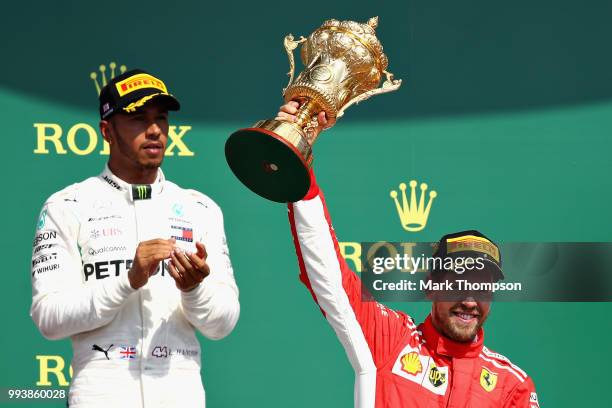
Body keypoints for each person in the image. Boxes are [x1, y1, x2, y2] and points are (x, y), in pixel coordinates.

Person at [278, 101, 540, 407]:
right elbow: (329, 275)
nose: (469, 300)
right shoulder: (390, 341)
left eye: (480, 286)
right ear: (431, 285)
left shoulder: (512, 385)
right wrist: (299, 164)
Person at [30, 69, 240, 408]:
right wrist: (128, 280)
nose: (154, 129)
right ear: (107, 131)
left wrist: (194, 289)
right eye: (138, 118)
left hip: (181, 397)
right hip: (99, 396)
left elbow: (223, 323)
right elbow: (49, 318)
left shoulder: (200, 208)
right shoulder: (67, 205)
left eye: (161, 118)